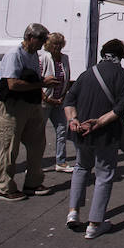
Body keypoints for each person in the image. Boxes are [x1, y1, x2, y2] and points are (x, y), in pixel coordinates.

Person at [64, 39, 124, 239]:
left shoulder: (87, 74)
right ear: (121, 55)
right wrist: (99, 123)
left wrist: (74, 120)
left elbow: (69, 101)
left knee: (81, 168)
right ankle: (95, 223)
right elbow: (120, 109)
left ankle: (73, 212)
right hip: (105, 135)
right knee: (104, 175)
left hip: (80, 132)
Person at [0, 23, 60, 201]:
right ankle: (5, 186)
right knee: (9, 147)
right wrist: (42, 84)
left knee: (37, 144)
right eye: (41, 39)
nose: (43, 43)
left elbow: (33, 79)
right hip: (13, 105)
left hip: (31, 104)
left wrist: (42, 83)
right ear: (30, 37)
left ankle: (33, 182)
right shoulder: (14, 54)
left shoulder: (33, 56)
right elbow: (13, 84)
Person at [39, 32, 72, 172]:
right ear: (48, 45)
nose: (57, 46)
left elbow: (67, 77)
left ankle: (61, 161)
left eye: (59, 44)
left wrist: (63, 97)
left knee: (62, 130)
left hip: (59, 101)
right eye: (54, 44)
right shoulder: (44, 58)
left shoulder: (65, 58)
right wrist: (47, 98)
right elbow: (38, 79)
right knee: (39, 133)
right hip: (45, 101)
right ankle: (35, 163)